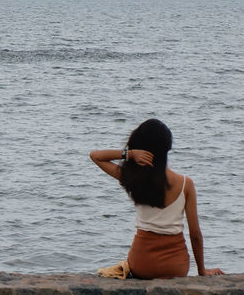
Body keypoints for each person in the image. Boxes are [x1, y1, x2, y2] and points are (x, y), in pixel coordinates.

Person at [90, 118, 224, 278]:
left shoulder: (132, 179)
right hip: (176, 266)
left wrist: (130, 154)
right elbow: (195, 234)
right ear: (167, 148)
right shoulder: (185, 184)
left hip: (141, 265)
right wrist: (202, 270)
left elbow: (95, 156)